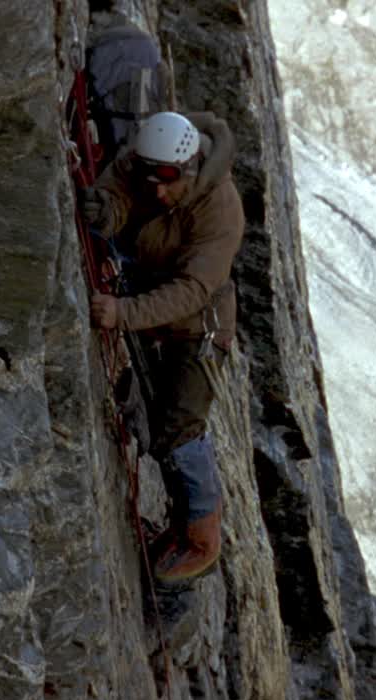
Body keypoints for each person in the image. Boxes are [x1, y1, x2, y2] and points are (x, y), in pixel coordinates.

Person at [83, 110, 244, 584]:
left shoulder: (220, 208)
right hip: (147, 292)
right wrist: (108, 210)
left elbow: (194, 290)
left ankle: (201, 540)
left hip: (199, 326)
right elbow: (118, 188)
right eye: (150, 178)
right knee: (157, 426)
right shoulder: (144, 166)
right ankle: (178, 523)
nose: (157, 191)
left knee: (180, 427)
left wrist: (123, 312)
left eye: (168, 182)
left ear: (190, 169)